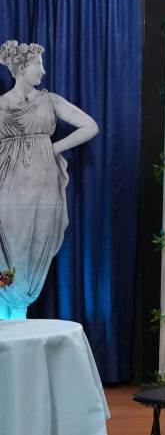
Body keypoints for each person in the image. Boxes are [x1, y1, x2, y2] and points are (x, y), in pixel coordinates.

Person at [0, 40, 98, 320]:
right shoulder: (1, 105)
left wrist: (52, 148)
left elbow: (90, 126)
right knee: (9, 249)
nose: (43, 71)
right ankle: (7, 315)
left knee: (33, 249)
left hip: (43, 187)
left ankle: (17, 315)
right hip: (8, 188)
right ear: (20, 68)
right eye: (37, 65)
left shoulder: (50, 100)